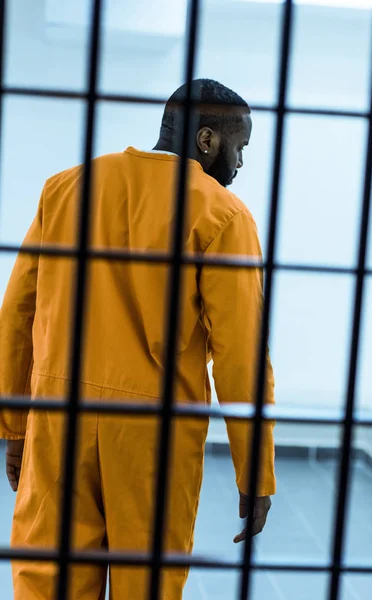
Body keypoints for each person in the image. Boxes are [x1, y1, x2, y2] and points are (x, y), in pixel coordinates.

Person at [0, 78, 276, 599]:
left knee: (47, 579)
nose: (239, 165)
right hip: (153, 436)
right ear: (207, 141)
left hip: (60, 420)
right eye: (240, 148)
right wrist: (255, 470)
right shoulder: (220, 213)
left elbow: (18, 312)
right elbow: (241, 356)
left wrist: (16, 427)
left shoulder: (66, 188)